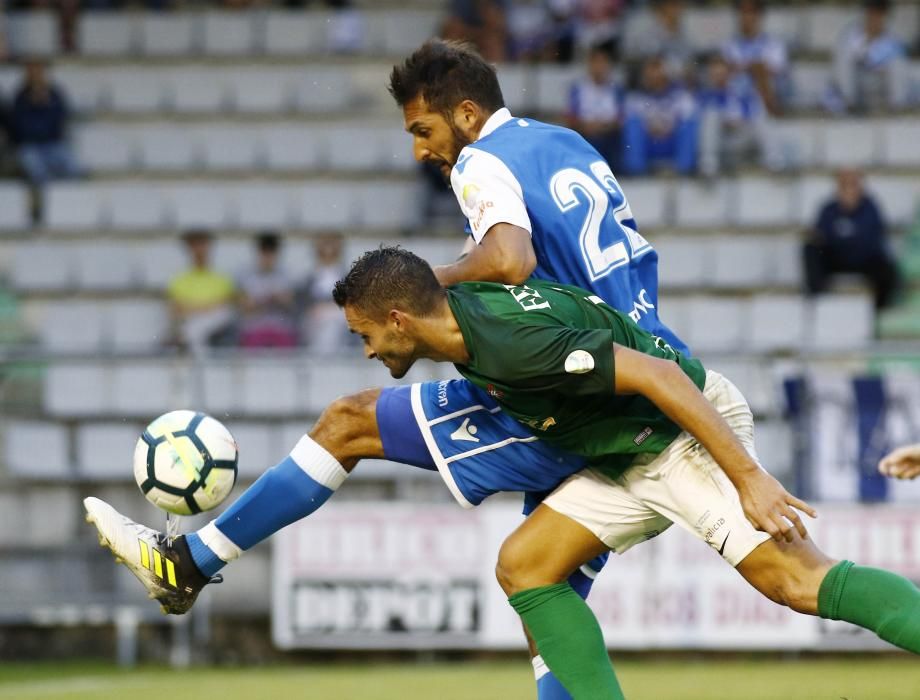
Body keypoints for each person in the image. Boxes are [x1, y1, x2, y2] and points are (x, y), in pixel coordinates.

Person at [83, 40, 795, 700]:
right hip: (629, 365)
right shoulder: (564, 143)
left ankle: (190, 563)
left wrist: (423, 284)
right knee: (544, 593)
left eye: (423, 131)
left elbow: (511, 259)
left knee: (348, 424)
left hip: (566, 384)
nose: (422, 151)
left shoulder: (482, 162)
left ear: (464, 113)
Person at [328, 247, 920, 697]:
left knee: (798, 584)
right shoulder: (469, 313)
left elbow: (660, 378)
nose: (368, 351)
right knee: (525, 565)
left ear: (399, 320)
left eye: (366, 334)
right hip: (626, 453)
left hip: (678, 432)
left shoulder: (508, 342)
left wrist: (748, 479)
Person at [802, 168, 900, 310]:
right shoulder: (828, 209)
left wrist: (843, 241)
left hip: (864, 260)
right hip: (836, 260)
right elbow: (820, 238)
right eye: (844, 186)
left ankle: (880, 309)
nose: (849, 191)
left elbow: (874, 239)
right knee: (810, 249)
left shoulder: (871, 208)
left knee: (887, 269)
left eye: (853, 185)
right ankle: (818, 301)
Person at [8, 60, 81, 187]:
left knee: (74, 168)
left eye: (39, 73)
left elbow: (60, 121)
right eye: (33, 73)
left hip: (53, 144)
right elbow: (19, 127)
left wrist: (46, 105)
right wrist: (32, 106)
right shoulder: (20, 98)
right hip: (30, 146)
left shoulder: (54, 95)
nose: (36, 76)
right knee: (35, 168)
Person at [621, 55, 698, 176]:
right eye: (651, 75)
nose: (655, 78)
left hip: (671, 141)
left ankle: (684, 170)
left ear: (666, 75)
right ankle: (636, 171)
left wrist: (668, 127)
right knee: (632, 124)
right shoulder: (635, 98)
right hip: (649, 142)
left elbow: (688, 115)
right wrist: (651, 128)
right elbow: (631, 119)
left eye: (658, 73)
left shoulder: (681, 96)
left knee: (689, 124)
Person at [832, 0, 908, 114]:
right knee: (844, 63)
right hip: (858, 85)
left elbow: (898, 65)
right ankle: (850, 106)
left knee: (898, 64)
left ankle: (897, 108)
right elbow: (843, 65)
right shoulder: (851, 34)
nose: (875, 18)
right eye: (871, 13)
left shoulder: (893, 38)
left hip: (881, 86)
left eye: (879, 14)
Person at [167, 230, 237, 353]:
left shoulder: (222, 277)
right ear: (189, 249)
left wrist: (196, 307)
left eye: (202, 245)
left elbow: (226, 304)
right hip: (193, 319)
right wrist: (206, 307)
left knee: (198, 327)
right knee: (193, 327)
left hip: (216, 323)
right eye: (195, 245)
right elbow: (176, 309)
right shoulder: (179, 279)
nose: (199, 250)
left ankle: (191, 350)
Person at [722, 0, 788, 116]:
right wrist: (753, 67)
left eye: (751, 12)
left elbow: (774, 75)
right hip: (733, 108)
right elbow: (724, 74)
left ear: (759, 15)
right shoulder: (728, 46)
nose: (746, 17)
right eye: (742, 12)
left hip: (763, 107)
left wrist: (745, 67)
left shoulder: (774, 46)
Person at [565, 45, 624, 171]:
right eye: (596, 62)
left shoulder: (615, 89)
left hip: (609, 134)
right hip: (584, 132)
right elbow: (570, 116)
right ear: (589, 65)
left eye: (603, 63)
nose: (599, 67)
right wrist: (586, 126)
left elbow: (621, 117)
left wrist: (603, 127)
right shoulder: (578, 88)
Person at [237, 232, 298, 349]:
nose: (268, 256)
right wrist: (263, 300)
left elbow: (290, 303)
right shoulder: (246, 275)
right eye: (265, 252)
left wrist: (276, 298)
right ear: (259, 252)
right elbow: (243, 305)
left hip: (280, 328)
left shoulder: (286, 275)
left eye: (272, 252)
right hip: (254, 327)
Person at [300, 233, 350, 353]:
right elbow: (303, 303)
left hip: (340, 318)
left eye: (332, 245)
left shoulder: (347, 277)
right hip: (315, 320)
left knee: (333, 323)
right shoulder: (309, 278)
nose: (328, 250)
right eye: (324, 245)